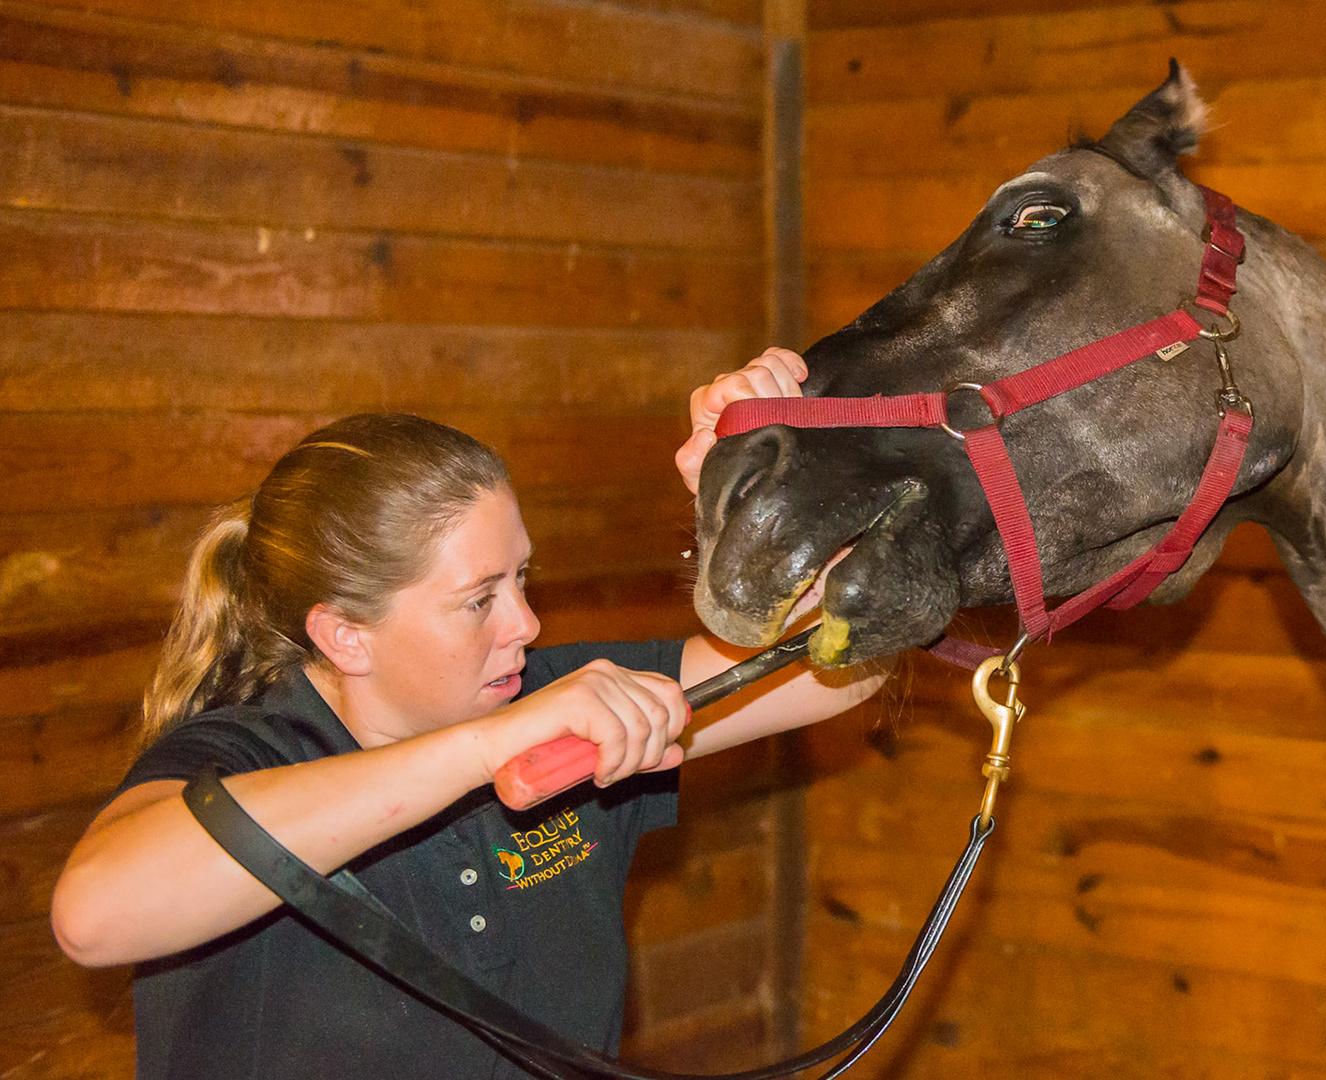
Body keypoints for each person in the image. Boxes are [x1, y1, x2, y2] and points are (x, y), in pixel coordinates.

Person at [49, 349, 857, 1079]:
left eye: (521, 579)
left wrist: (767, 487)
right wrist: (483, 747)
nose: (526, 626)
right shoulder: (251, 750)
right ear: (345, 637)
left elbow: (841, 668)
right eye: (479, 601)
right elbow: (92, 918)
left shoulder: (553, 694)